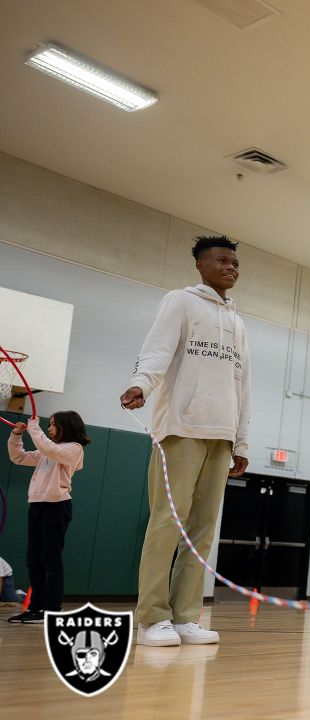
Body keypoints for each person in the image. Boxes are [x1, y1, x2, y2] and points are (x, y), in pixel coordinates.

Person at [121, 235, 251, 647]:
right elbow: (156, 350)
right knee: (166, 524)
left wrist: (241, 441)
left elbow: (242, 385)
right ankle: (151, 619)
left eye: (234, 262)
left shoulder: (239, 323)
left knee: (203, 529)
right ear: (200, 265)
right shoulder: (179, 301)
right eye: (221, 260)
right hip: (179, 429)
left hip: (221, 436)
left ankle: (185, 617)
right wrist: (141, 383)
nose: (229, 267)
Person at [5, 412, 89, 624]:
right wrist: (16, 435)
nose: (49, 429)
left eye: (52, 425)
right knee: (33, 559)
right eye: (49, 425)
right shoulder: (46, 451)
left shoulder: (73, 448)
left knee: (50, 558)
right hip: (37, 505)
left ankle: (52, 609)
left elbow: (50, 448)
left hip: (57, 506)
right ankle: (35, 608)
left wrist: (34, 427)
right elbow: (18, 457)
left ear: (65, 426)